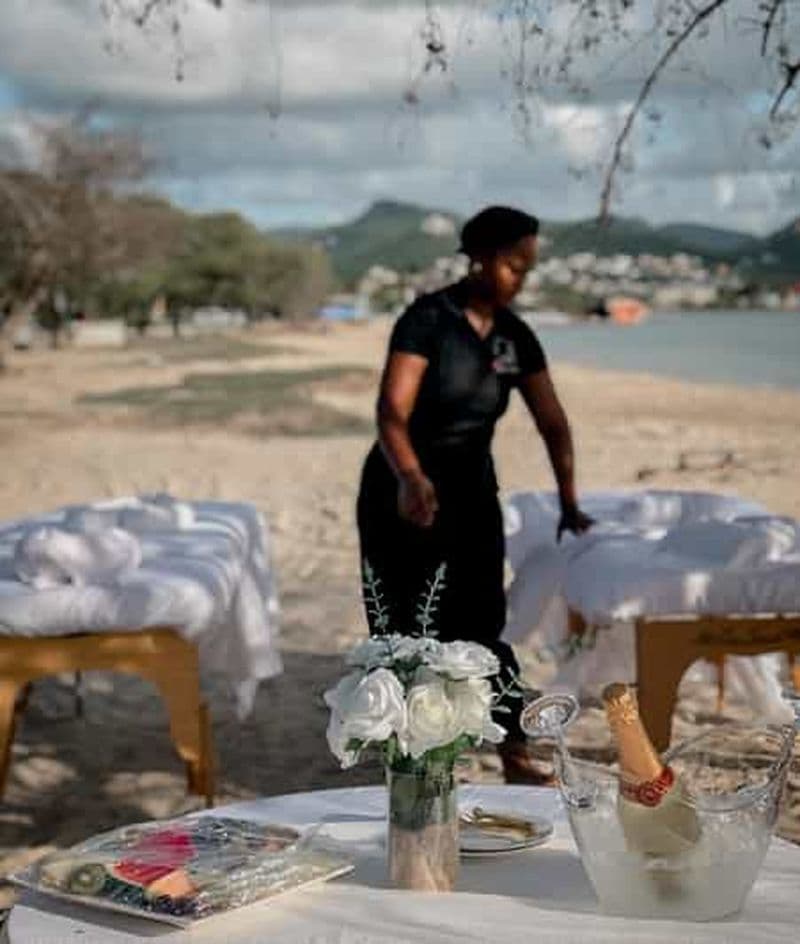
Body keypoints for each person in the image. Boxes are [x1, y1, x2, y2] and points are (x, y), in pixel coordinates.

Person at [356, 205, 593, 783]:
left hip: (472, 494)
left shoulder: (516, 336)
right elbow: (391, 411)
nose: (521, 278)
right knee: (407, 629)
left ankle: (514, 755)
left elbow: (553, 421)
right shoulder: (427, 319)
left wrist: (567, 499)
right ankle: (413, 762)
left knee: (486, 622)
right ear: (481, 259)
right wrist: (412, 479)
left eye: (529, 268)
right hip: (400, 489)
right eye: (516, 265)